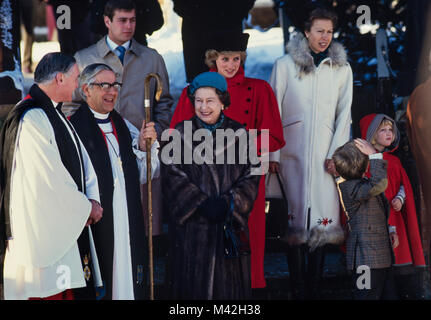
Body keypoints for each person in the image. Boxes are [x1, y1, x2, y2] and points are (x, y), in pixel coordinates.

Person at [169, 32, 285, 291]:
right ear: (214, 60)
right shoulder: (196, 91)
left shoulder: (259, 89)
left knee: (246, 238)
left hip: (246, 177)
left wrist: (236, 151)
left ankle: (250, 289)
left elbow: (274, 136)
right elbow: (177, 135)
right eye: (225, 59)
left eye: (236, 58)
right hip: (203, 179)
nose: (231, 65)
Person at [0, 52, 103, 300]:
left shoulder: (52, 114)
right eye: (75, 78)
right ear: (59, 78)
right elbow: (48, 178)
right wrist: (85, 206)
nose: (78, 84)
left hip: (58, 230)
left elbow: (81, 164)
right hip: (41, 237)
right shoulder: (33, 118)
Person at [269, 7, 352, 299]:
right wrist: (273, 156)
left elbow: (345, 116)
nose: (324, 37)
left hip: (325, 159)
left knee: (321, 225)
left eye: (329, 31)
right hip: (290, 155)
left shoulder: (341, 69)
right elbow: (272, 111)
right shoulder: (284, 65)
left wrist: (337, 155)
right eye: (319, 31)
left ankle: (313, 290)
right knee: (294, 224)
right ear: (306, 32)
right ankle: (295, 289)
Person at [74, 0, 173, 239]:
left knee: (142, 224)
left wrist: (154, 132)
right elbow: (72, 105)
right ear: (107, 21)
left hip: (140, 149)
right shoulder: (84, 58)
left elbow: (166, 103)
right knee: (106, 225)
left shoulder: (151, 58)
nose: (129, 26)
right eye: (122, 20)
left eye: (133, 20)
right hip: (97, 148)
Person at [165, 72, 261, 299]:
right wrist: (199, 202)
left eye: (210, 101)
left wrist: (230, 202)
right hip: (193, 231)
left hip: (228, 229)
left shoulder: (240, 134)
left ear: (222, 102)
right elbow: (172, 174)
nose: (203, 107)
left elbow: (252, 174)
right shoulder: (179, 133)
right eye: (198, 100)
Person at [69, 63, 159, 300]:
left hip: (128, 220)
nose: (111, 91)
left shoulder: (123, 125)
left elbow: (144, 175)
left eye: (115, 85)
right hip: (98, 222)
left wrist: (142, 147)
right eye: (104, 85)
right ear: (86, 89)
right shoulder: (74, 128)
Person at [333, 139, 399, 300]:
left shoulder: (362, 184)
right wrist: (375, 156)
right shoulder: (348, 187)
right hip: (365, 260)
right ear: (365, 166)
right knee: (366, 296)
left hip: (382, 256)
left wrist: (390, 228)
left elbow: (379, 209)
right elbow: (380, 183)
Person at [359, 114, 425, 267]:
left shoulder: (394, 160)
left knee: (397, 258)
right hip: (376, 218)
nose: (389, 133)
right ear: (371, 133)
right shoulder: (362, 161)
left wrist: (400, 198)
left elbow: (404, 185)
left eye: (391, 129)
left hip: (395, 215)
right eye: (383, 130)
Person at [172, 0, 255, 83]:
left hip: (229, 25)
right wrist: (186, 9)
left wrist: (239, 10)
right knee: (201, 87)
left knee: (232, 85)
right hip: (196, 28)